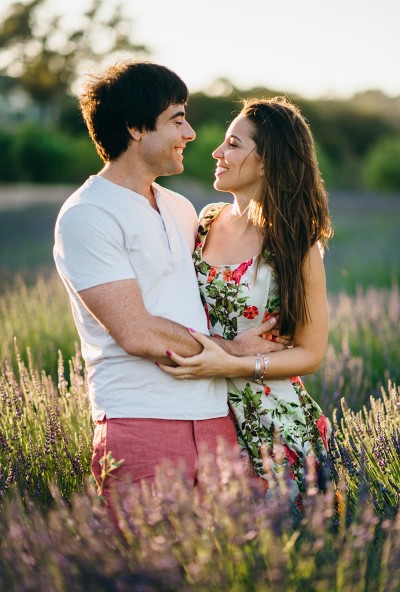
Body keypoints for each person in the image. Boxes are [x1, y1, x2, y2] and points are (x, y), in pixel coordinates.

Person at [53, 61, 283, 511]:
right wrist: (232, 350)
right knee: (146, 572)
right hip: (141, 419)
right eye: (177, 118)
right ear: (136, 128)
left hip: (216, 417)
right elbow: (137, 333)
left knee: (225, 570)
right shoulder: (88, 215)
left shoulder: (179, 207)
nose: (191, 132)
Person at [159, 97, 334, 505]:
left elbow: (310, 353)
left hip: (273, 423)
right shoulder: (205, 221)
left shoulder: (295, 243)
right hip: (199, 411)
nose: (217, 152)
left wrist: (236, 363)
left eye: (233, 144)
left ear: (267, 160)